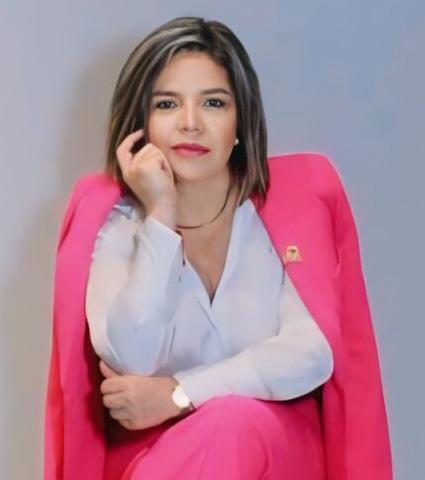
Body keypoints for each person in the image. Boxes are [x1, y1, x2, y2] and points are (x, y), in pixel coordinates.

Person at [43, 16, 393, 480]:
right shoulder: (114, 223)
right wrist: (161, 216)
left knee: (234, 422)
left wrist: (178, 393)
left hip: (277, 453)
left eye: (213, 103)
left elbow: (310, 353)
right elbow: (132, 357)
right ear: (141, 124)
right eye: (167, 104)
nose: (190, 123)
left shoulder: (292, 206)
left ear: (240, 122)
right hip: (158, 461)